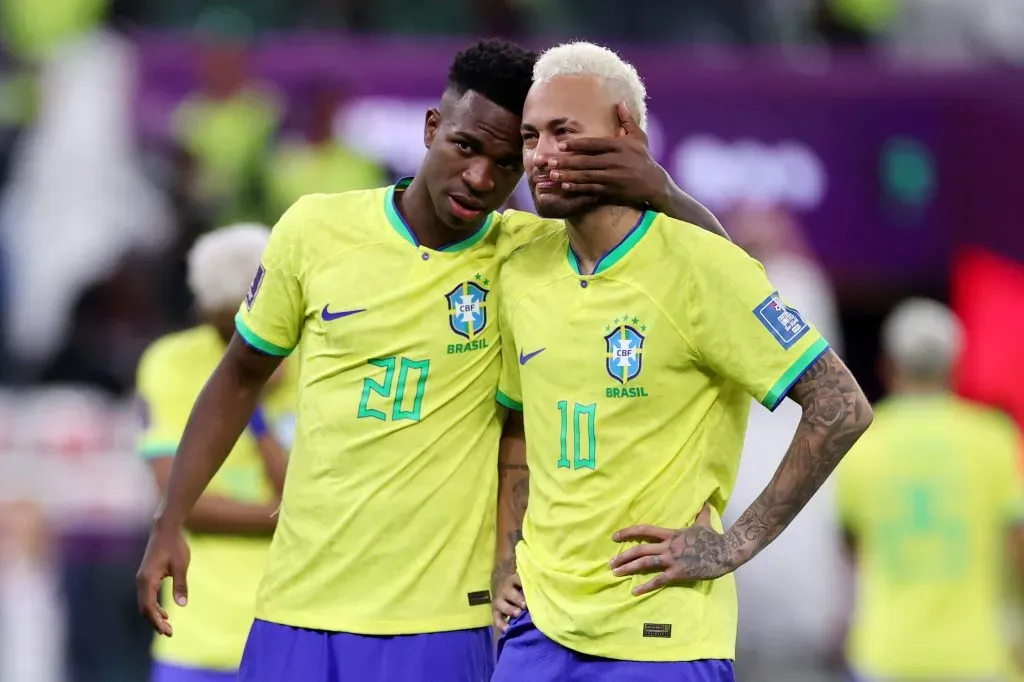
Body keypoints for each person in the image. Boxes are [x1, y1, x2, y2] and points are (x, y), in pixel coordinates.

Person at [135, 38, 727, 682]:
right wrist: (170, 519)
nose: (481, 178)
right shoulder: (315, 230)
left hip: (442, 624)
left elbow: (726, 283)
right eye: (466, 147)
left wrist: (662, 191)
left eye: (508, 164)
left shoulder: (531, 255)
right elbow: (240, 375)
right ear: (431, 128)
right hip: (296, 606)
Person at [490, 41, 873, 682]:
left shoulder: (703, 267)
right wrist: (507, 559)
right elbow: (519, 427)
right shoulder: (521, 267)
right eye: (531, 137)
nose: (542, 157)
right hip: (540, 628)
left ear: (625, 132)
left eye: (564, 133)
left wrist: (732, 545)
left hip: (659, 637)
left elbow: (841, 408)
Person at [136, 224, 295, 682]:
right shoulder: (171, 362)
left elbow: (304, 497)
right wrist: (279, 516)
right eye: (226, 325)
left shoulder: (317, 358)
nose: (241, 342)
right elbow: (177, 499)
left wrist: (255, 405)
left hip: (290, 630)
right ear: (203, 310)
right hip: (197, 640)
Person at [836, 298, 1024, 682]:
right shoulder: (995, 438)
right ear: (956, 363)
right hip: (977, 654)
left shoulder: (861, 442)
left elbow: (850, 550)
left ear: (888, 364)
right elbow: (1016, 543)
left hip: (886, 654)